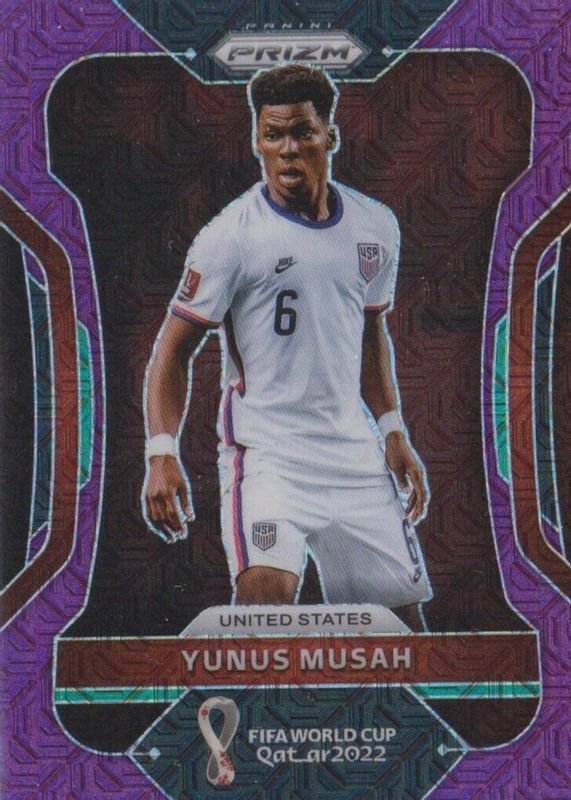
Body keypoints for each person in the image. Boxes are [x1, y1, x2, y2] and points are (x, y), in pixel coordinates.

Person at [143, 64, 432, 631]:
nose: (288, 149)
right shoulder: (230, 237)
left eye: (302, 132)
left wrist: (393, 429)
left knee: (405, 638)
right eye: (273, 135)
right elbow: (171, 351)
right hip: (270, 459)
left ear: (330, 135)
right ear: (257, 141)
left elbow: (368, 332)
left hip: (354, 458)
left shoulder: (376, 227)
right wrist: (161, 452)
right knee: (262, 613)